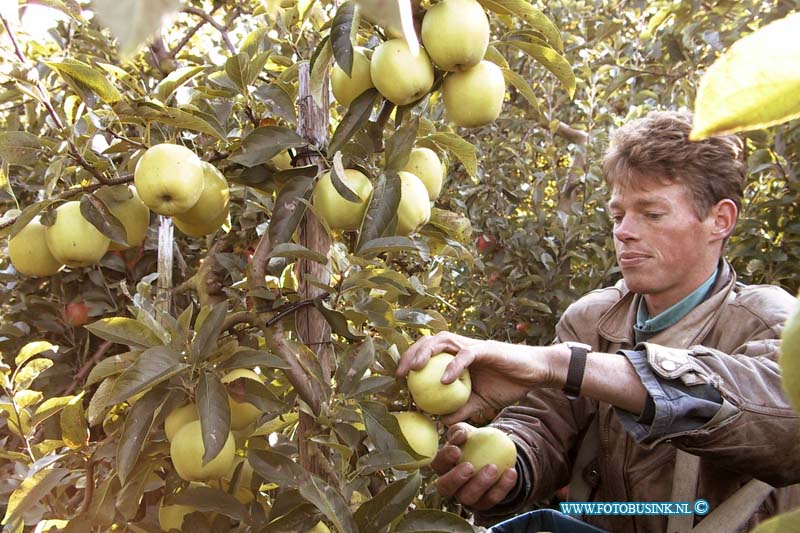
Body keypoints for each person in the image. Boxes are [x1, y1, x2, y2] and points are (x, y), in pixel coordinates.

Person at [396, 110, 800, 532]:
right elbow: (545, 425)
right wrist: (508, 467)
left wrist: (559, 365)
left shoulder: (771, 322)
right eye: (617, 215)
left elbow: (784, 424)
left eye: (651, 213)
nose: (624, 231)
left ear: (720, 220)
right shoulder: (593, 319)